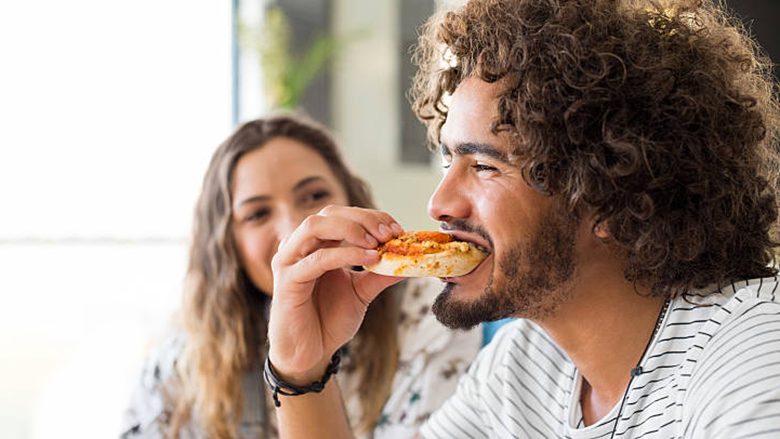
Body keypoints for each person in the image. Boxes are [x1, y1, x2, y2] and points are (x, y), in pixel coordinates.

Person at [264, 0, 780, 437]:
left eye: (484, 166)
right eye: (450, 161)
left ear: (607, 189)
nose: (440, 203)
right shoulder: (528, 360)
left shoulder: (752, 358)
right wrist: (301, 369)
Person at [120, 114, 482, 438]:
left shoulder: (432, 317)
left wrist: (304, 372)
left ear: (351, 199)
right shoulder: (179, 365)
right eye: (257, 214)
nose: (295, 228)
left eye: (314, 195)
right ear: (227, 244)